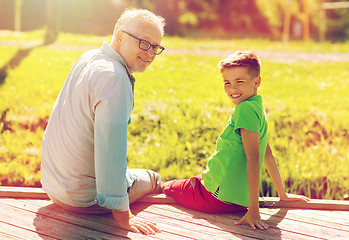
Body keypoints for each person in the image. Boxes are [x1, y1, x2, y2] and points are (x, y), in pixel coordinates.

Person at [41, 9, 166, 235]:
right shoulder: (115, 78)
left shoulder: (89, 57)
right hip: (82, 199)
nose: (151, 53)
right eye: (144, 43)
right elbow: (111, 151)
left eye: (156, 47)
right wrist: (123, 214)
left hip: (53, 188)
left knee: (128, 172)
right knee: (154, 178)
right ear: (119, 37)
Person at [163, 51, 310, 230]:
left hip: (215, 198)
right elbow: (268, 154)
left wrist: (254, 210)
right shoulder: (257, 107)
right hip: (236, 200)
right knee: (200, 178)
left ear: (257, 81)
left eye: (239, 81)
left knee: (168, 186)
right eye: (227, 83)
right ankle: (200, 181)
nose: (232, 88)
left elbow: (254, 160)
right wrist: (282, 194)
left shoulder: (244, 110)